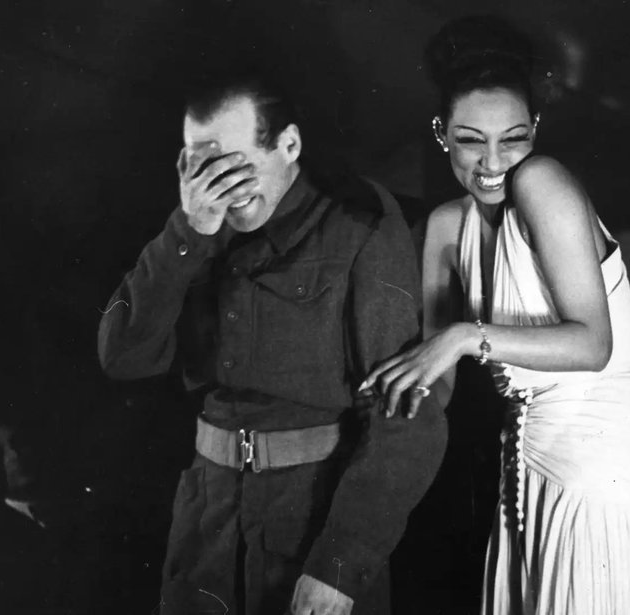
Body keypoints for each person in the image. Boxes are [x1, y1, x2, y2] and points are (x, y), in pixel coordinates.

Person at [97, 68, 447, 615]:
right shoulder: (194, 225)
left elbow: (405, 416)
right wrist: (187, 235)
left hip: (310, 522)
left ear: (289, 145)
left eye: (238, 167)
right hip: (207, 526)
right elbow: (122, 357)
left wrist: (340, 565)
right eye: (204, 168)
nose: (224, 190)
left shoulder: (358, 228)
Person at [362, 16, 630, 615]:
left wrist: (463, 336)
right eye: (470, 140)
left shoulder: (542, 180)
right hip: (523, 472)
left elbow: (593, 344)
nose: (493, 162)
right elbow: (436, 380)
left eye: (513, 138)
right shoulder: (445, 227)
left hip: (603, 465)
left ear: (535, 129)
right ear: (440, 134)